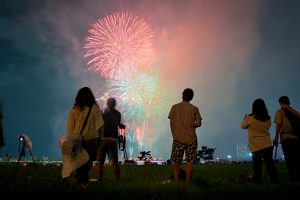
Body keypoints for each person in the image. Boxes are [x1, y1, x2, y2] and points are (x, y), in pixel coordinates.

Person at [66, 87, 104, 188]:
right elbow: (100, 125)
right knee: (89, 162)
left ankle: (83, 183)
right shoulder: (95, 108)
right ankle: (77, 180)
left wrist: (71, 139)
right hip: (92, 138)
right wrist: (101, 137)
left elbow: (70, 127)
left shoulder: (74, 110)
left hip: (77, 139)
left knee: (81, 162)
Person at [241, 98, 279, 184]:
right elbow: (267, 127)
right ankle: (276, 182)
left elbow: (242, 126)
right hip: (267, 144)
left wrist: (244, 119)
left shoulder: (250, 118)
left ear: (254, 107)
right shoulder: (268, 119)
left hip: (256, 145)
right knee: (270, 165)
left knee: (257, 166)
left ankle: (258, 182)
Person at [168, 88, 202, 183]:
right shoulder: (195, 109)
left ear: (182, 95)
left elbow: (171, 122)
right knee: (190, 162)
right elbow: (199, 123)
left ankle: (176, 182)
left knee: (176, 163)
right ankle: (187, 183)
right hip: (191, 139)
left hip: (178, 138)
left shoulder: (174, 107)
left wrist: (175, 133)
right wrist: (192, 125)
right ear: (191, 97)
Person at [273, 96, 300, 182]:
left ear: (280, 103)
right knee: (296, 158)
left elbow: (278, 126)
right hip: (296, 138)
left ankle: (292, 177)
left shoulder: (280, 112)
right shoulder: (296, 112)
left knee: (289, 159)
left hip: (286, 138)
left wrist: (276, 138)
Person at [96, 97, 121, 181]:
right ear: (114, 104)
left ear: (107, 103)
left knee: (100, 161)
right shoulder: (118, 114)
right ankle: (118, 178)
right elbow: (117, 124)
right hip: (113, 139)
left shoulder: (102, 112)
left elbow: (99, 124)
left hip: (103, 139)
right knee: (115, 161)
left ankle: (100, 179)